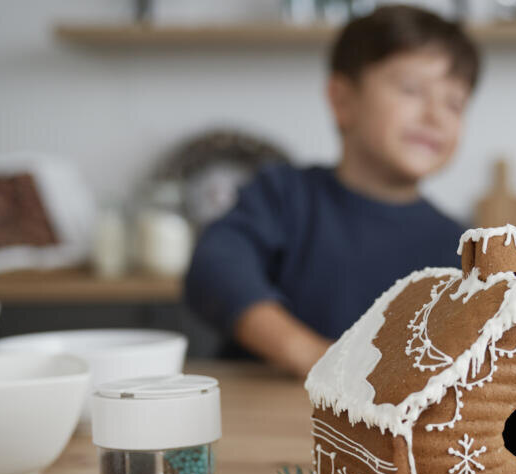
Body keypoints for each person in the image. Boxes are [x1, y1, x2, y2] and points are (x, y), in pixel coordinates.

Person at [184, 6, 479, 377]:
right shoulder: (283, 196)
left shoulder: (460, 244)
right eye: (412, 90)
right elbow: (214, 268)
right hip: (260, 416)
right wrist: (306, 352)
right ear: (343, 101)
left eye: (454, 103)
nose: (435, 116)